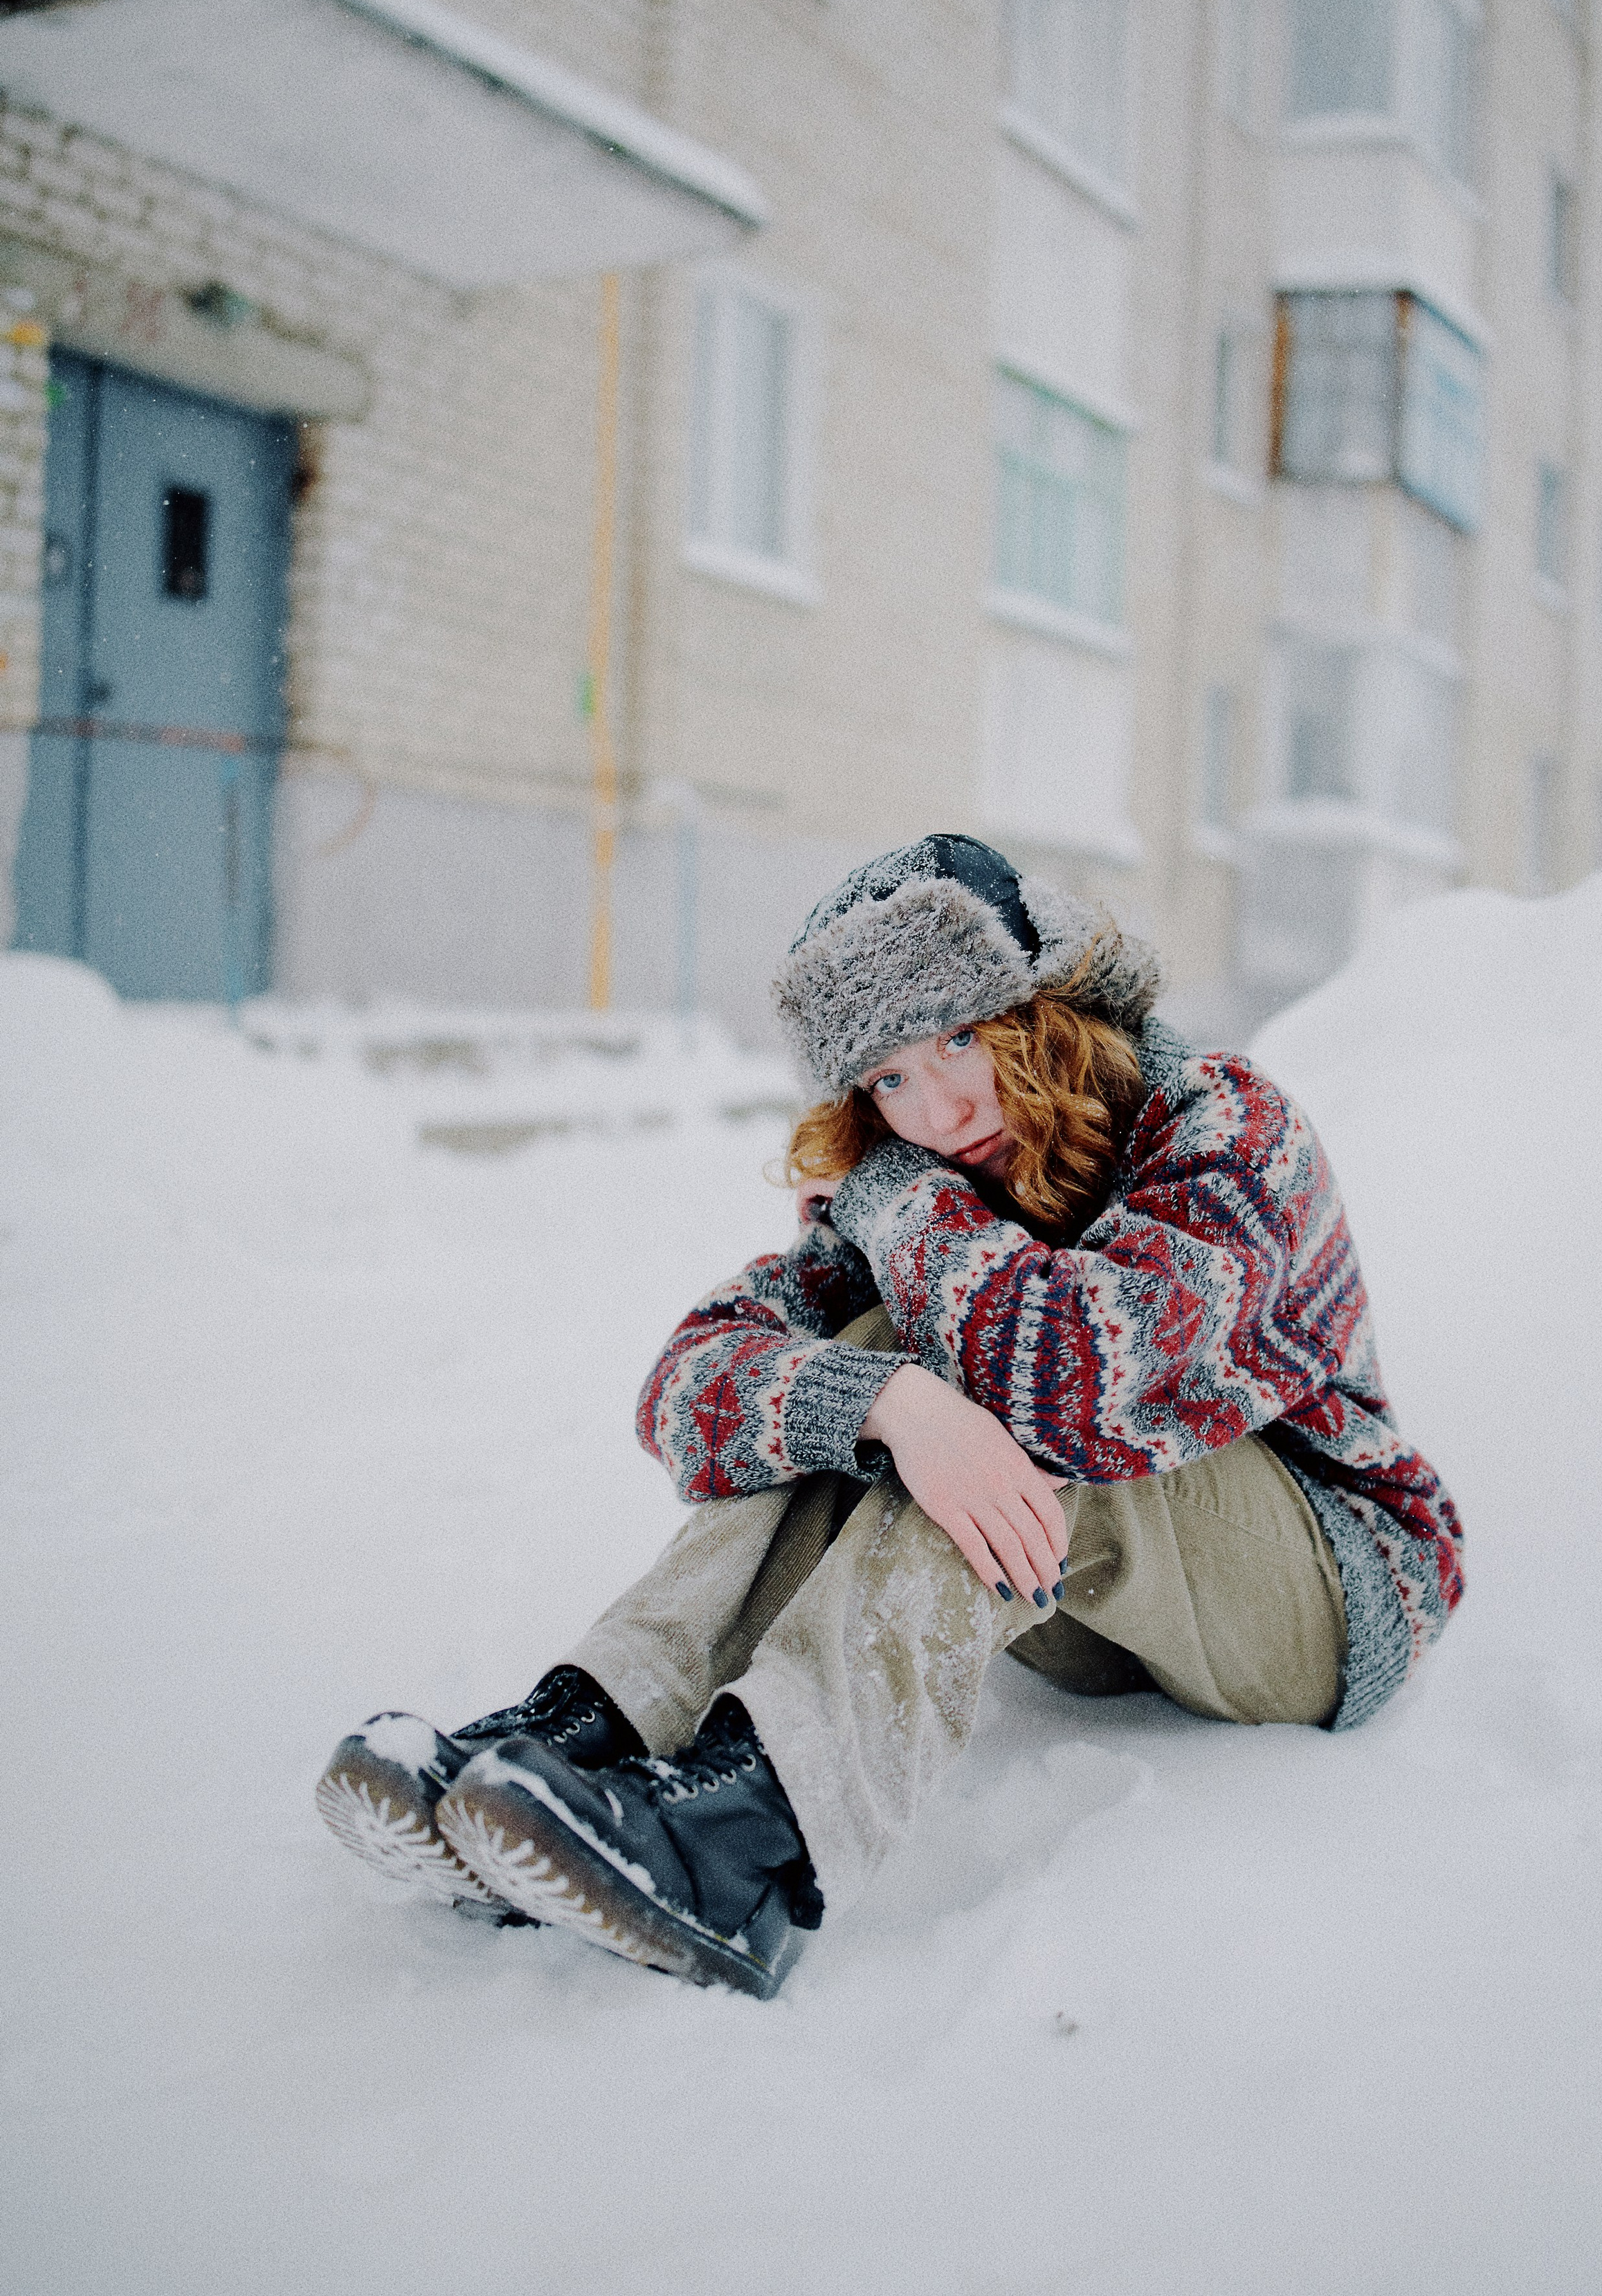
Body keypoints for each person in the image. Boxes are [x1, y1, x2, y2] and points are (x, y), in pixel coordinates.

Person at [317, 834, 1464, 1998]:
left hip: (1323, 1590)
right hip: (1111, 1616)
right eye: (889, 1079)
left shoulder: (1224, 1127)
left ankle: (760, 1840)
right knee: (857, 1372)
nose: (941, 1105)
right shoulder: (939, 1190)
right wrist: (883, 1402)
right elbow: (689, 1391)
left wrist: (885, 1210)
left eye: (962, 1038)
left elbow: (1072, 1376)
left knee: (1010, 1383)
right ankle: (588, 1738)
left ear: (1047, 1007)